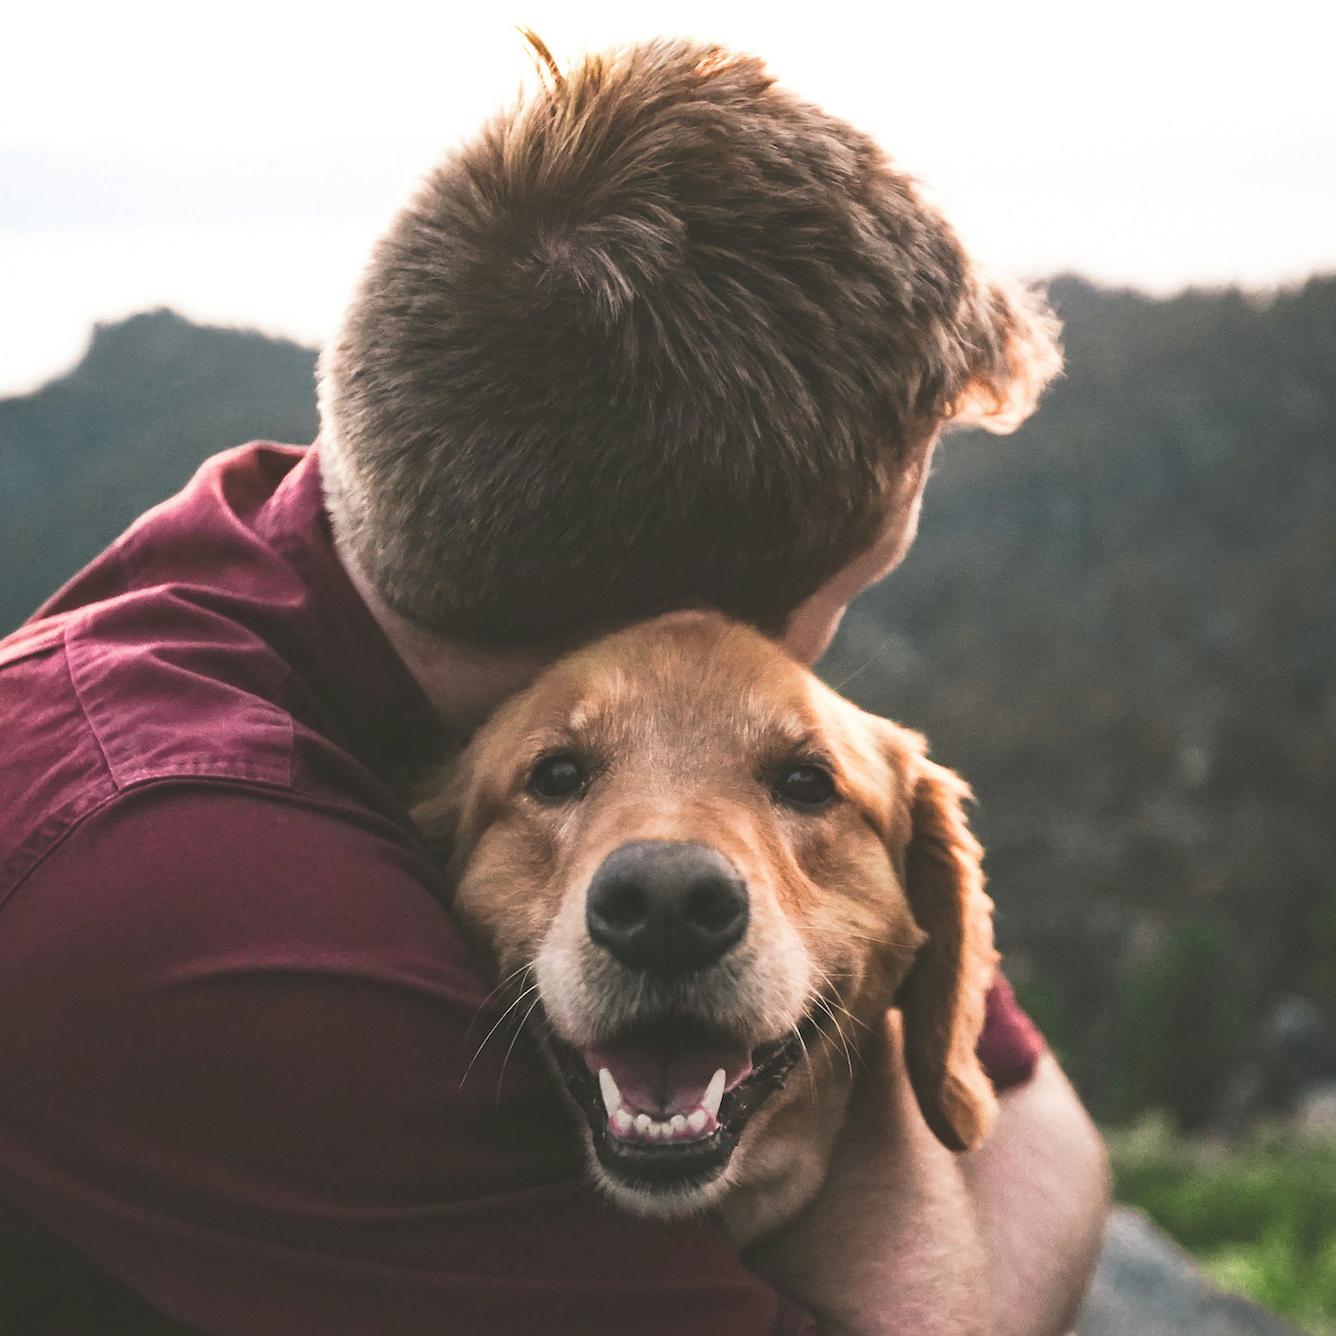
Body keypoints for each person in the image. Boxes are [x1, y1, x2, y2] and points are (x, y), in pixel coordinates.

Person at [0, 35, 1107, 1336]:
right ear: (679, 628)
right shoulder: (202, 891)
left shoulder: (348, 539)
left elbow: (1043, 1129)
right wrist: (867, 1087)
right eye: (848, 594)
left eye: (792, 764)